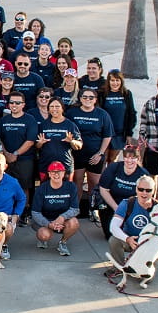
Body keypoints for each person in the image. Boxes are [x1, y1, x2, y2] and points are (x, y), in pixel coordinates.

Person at [107, 176, 158, 266]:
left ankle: (143, 263)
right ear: (136, 189)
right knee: (114, 240)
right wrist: (127, 239)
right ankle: (118, 266)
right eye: (141, 189)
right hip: (130, 241)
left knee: (145, 278)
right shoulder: (127, 203)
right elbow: (113, 227)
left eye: (148, 190)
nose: (144, 193)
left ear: (153, 191)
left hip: (150, 244)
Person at [68, 89, 114, 217]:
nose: (87, 99)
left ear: (95, 99)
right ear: (80, 98)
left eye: (91, 97)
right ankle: (75, 209)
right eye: (85, 97)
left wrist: (100, 153)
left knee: (94, 184)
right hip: (77, 154)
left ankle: (94, 209)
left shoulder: (102, 114)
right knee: (77, 181)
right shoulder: (72, 113)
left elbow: (107, 136)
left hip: (95, 155)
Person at [32, 161, 80, 256]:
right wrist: (49, 224)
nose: (56, 174)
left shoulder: (71, 187)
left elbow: (75, 209)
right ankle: (42, 240)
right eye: (53, 172)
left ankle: (63, 242)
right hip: (46, 220)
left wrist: (62, 217)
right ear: (49, 174)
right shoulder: (42, 188)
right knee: (44, 235)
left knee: (74, 222)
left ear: (64, 173)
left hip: (63, 220)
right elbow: (35, 212)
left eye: (59, 171)